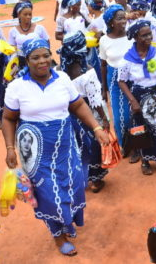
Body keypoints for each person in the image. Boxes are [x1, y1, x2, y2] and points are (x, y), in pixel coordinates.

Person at [2, 39, 109, 257]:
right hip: (35, 149)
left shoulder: (62, 78)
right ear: (26, 60)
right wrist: (10, 147)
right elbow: (8, 118)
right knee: (47, 193)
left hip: (65, 144)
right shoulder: (16, 86)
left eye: (46, 56)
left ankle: (68, 222)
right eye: (35, 57)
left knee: (74, 185)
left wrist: (96, 127)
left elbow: (78, 104)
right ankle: (58, 235)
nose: (42, 61)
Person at [118, 20, 156, 176]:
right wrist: (133, 101)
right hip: (138, 97)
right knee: (141, 131)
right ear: (136, 37)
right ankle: (145, 161)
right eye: (144, 35)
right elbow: (121, 81)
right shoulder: (127, 59)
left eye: (150, 33)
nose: (149, 37)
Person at [60, 32, 111, 193]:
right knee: (92, 145)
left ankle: (77, 179)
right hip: (86, 112)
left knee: (73, 146)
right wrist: (104, 119)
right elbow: (95, 100)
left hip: (67, 116)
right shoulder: (87, 71)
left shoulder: (58, 71)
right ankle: (94, 180)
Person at [99, 5, 133, 151]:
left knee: (134, 114)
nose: (123, 21)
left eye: (124, 17)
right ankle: (125, 145)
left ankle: (138, 146)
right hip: (113, 80)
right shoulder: (104, 40)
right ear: (111, 22)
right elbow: (103, 65)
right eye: (119, 18)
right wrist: (103, 89)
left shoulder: (132, 34)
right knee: (120, 117)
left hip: (133, 77)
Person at [8, 1, 49, 68]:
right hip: (21, 63)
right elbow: (12, 49)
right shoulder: (13, 31)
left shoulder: (40, 28)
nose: (28, 17)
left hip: (38, 61)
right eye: (25, 14)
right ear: (18, 15)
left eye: (30, 14)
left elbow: (47, 45)